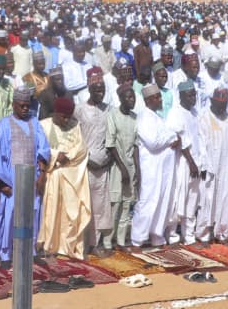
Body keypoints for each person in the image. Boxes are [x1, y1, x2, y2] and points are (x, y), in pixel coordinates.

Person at [0, 85, 50, 265]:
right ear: (14, 104)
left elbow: (44, 149)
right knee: (11, 214)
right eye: (22, 105)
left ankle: (29, 250)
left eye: (27, 105)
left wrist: (41, 175)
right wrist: (3, 183)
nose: (25, 109)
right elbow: (1, 154)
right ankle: (6, 253)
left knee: (32, 213)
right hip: (12, 177)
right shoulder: (5, 123)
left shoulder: (34, 122)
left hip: (32, 177)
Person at [38, 95, 92, 258]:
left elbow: (82, 149)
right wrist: (55, 156)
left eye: (69, 116)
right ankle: (50, 246)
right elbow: (39, 149)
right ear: (55, 112)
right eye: (63, 116)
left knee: (71, 214)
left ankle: (66, 247)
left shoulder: (75, 126)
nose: (66, 119)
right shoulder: (43, 126)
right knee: (51, 213)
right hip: (52, 176)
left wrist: (67, 156)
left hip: (71, 176)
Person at [130, 85, 179, 246]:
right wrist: (171, 137)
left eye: (160, 96)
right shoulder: (144, 117)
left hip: (162, 169)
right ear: (148, 100)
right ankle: (137, 239)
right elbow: (153, 142)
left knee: (161, 201)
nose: (160, 100)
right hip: (151, 168)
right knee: (147, 202)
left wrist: (170, 137)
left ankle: (156, 235)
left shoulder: (157, 117)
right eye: (157, 97)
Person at [74, 69, 113, 254]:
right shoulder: (80, 110)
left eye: (103, 89)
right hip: (85, 165)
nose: (100, 92)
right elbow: (74, 137)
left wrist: (107, 159)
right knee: (84, 205)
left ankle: (94, 244)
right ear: (89, 89)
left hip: (103, 166)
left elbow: (113, 137)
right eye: (97, 89)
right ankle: (80, 244)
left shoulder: (108, 110)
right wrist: (86, 159)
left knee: (99, 206)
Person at [196, 86, 228, 243]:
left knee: (225, 198)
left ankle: (222, 233)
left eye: (224, 103)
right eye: (219, 103)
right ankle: (203, 234)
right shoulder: (204, 117)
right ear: (213, 101)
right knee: (207, 200)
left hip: (225, 165)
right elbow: (200, 144)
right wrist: (204, 165)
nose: (222, 106)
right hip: (210, 166)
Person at [166, 81, 202, 244]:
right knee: (178, 197)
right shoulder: (176, 112)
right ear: (181, 96)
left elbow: (200, 138)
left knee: (192, 199)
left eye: (194, 94)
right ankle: (172, 235)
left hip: (196, 162)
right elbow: (179, 139)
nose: (193, 97)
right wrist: (190, 161)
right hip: (183, 162)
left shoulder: (194, 112)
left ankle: (189, 235)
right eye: (190, 95)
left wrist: (200, 162)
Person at [105, 84, 138, 248]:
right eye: (129, 97)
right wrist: (123, 168)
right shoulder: (113, 115)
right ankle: (107, 241)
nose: (132, 100)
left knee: (127, 204)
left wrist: (136, 170)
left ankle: (120, 240)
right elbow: (110, 145)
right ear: (121, 99)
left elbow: (136, 145)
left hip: (130, 166)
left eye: (133, 97)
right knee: (115, 204)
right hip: (118, 167)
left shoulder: (135, 117)